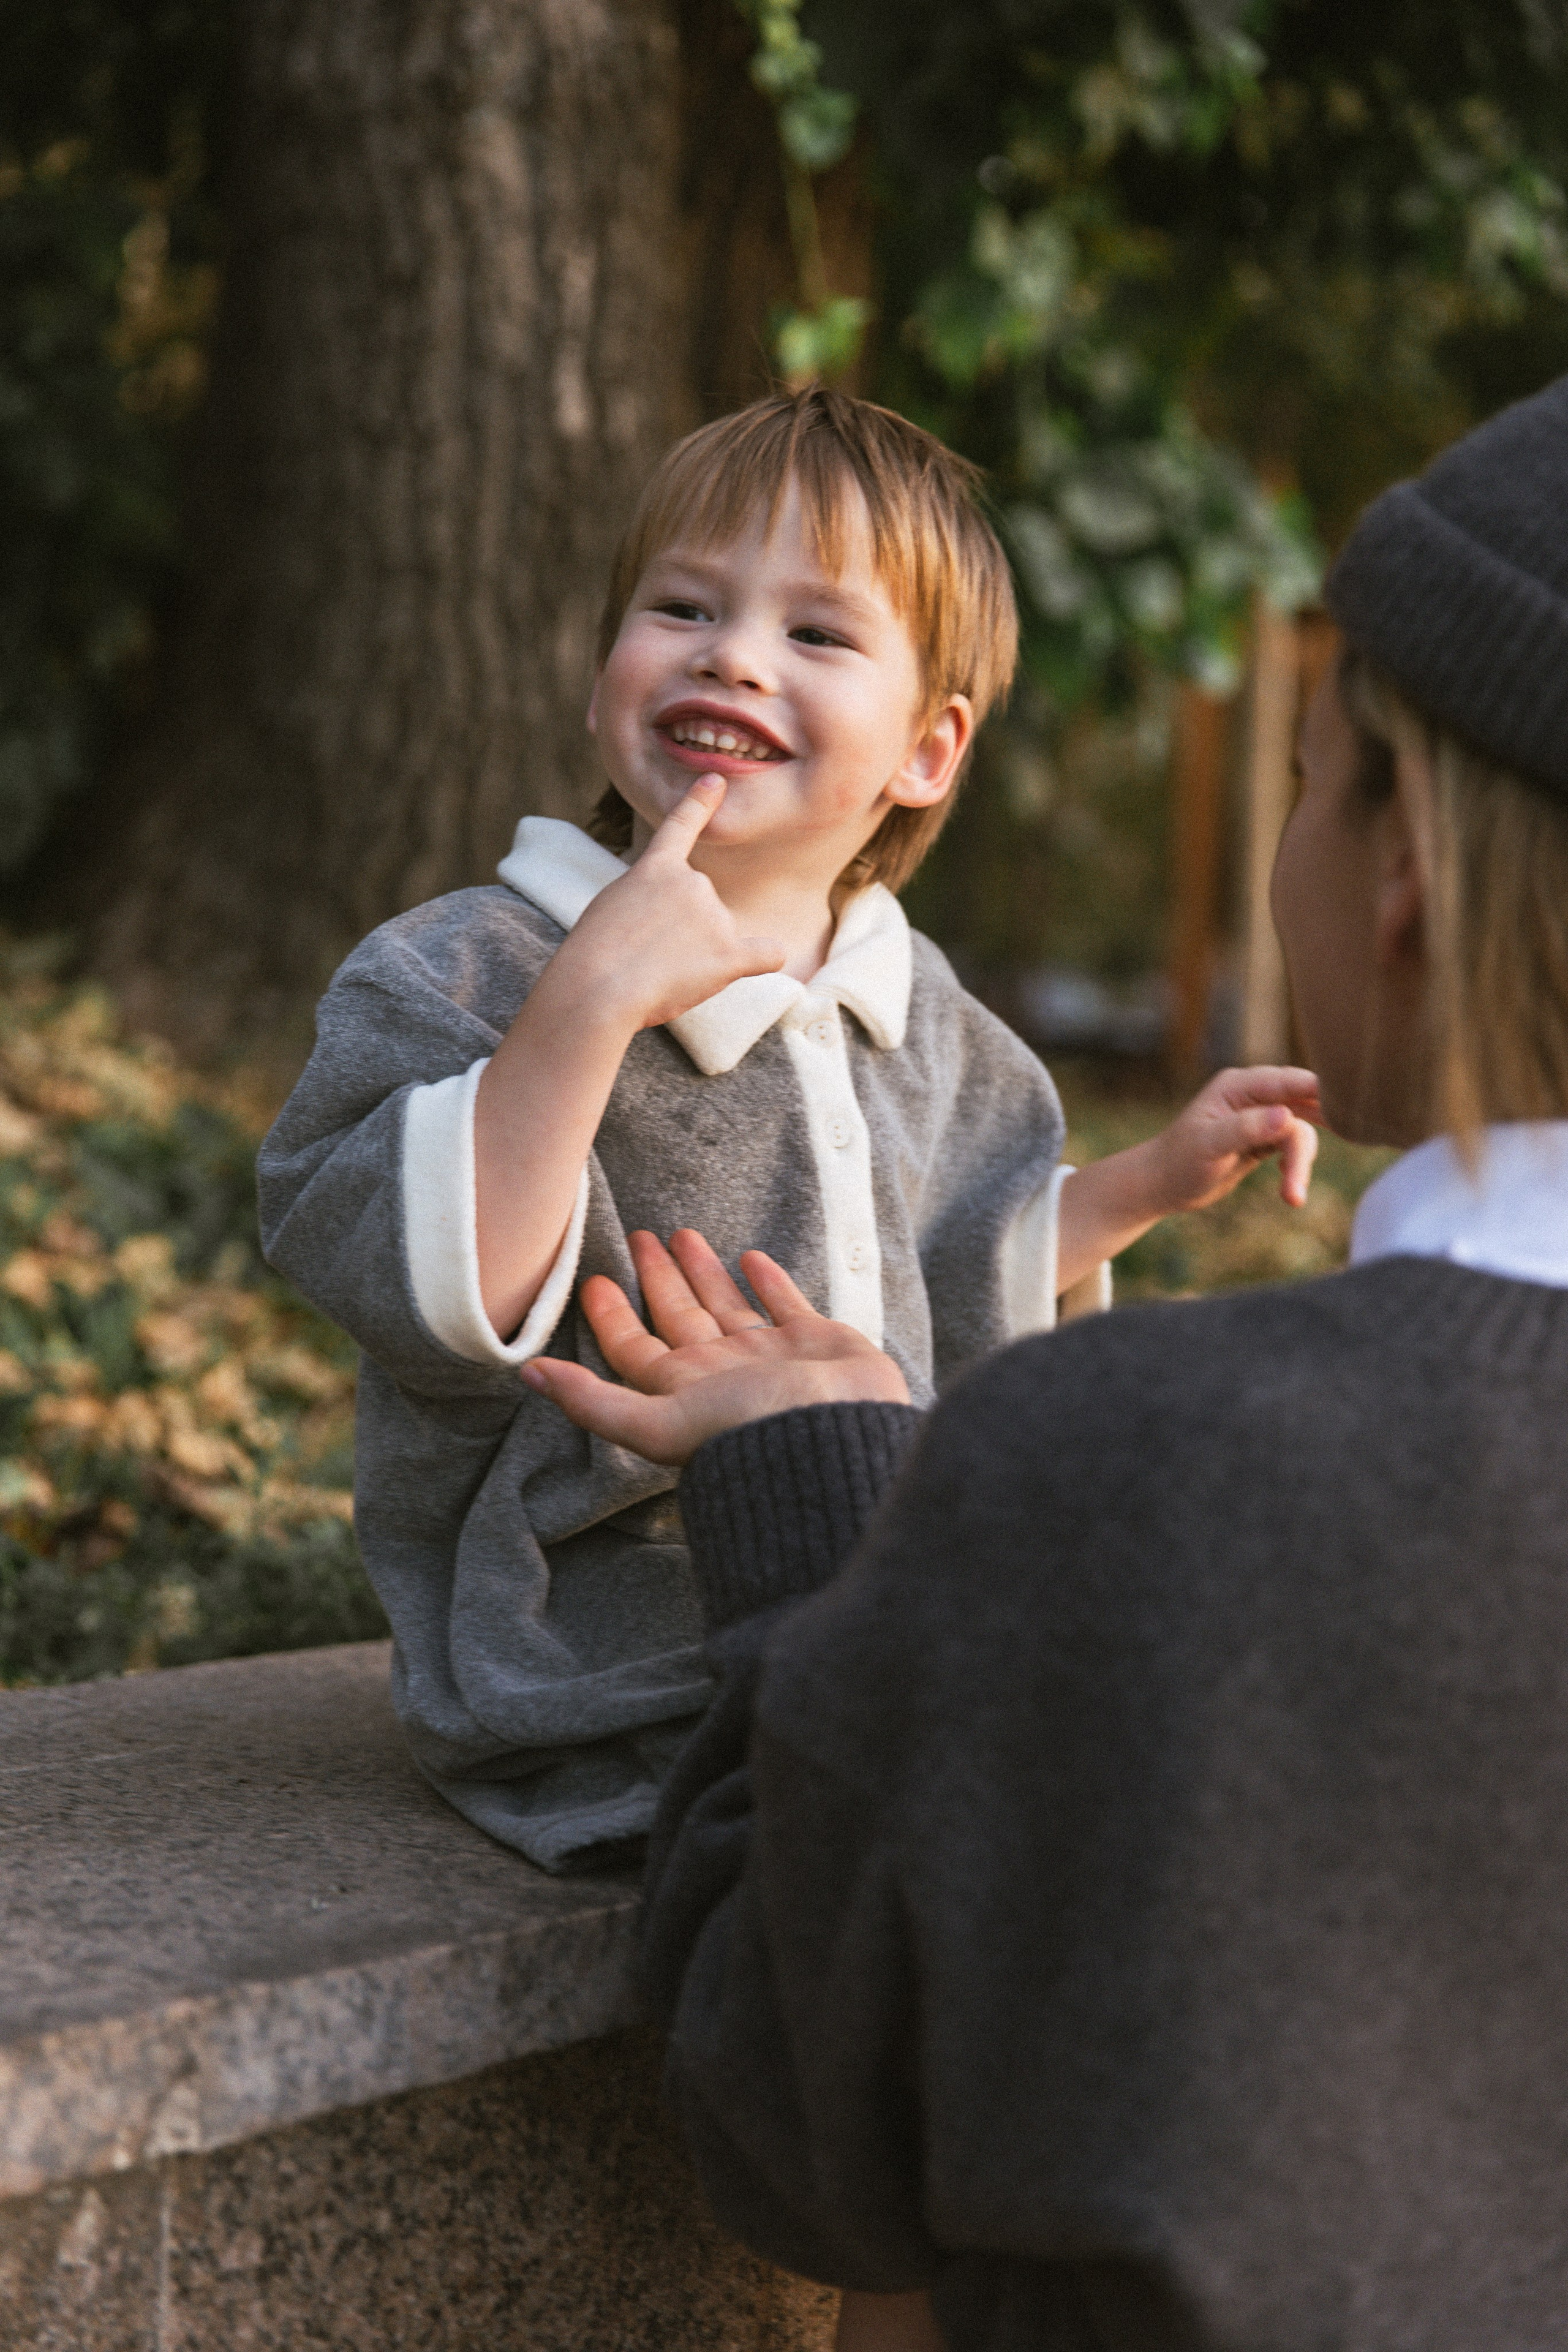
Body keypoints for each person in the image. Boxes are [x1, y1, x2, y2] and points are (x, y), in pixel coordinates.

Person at [522, 371, 1568, 2351]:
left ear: (1406, 860)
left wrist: (832, 1503)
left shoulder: (1139, 1473)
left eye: (1298, 782)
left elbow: (800, 2129)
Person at [257, 386, 1316, 1877]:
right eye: (681, 607)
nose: (733, 655)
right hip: (600, 1673)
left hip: (875, 1620)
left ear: (926, 753)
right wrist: (584, 1007)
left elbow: (952, 1250)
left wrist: (1140, 1185)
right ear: (601, 676)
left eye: (815, 634)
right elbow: (426, 1297)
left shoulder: (928, 1015)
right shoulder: (468, 968)